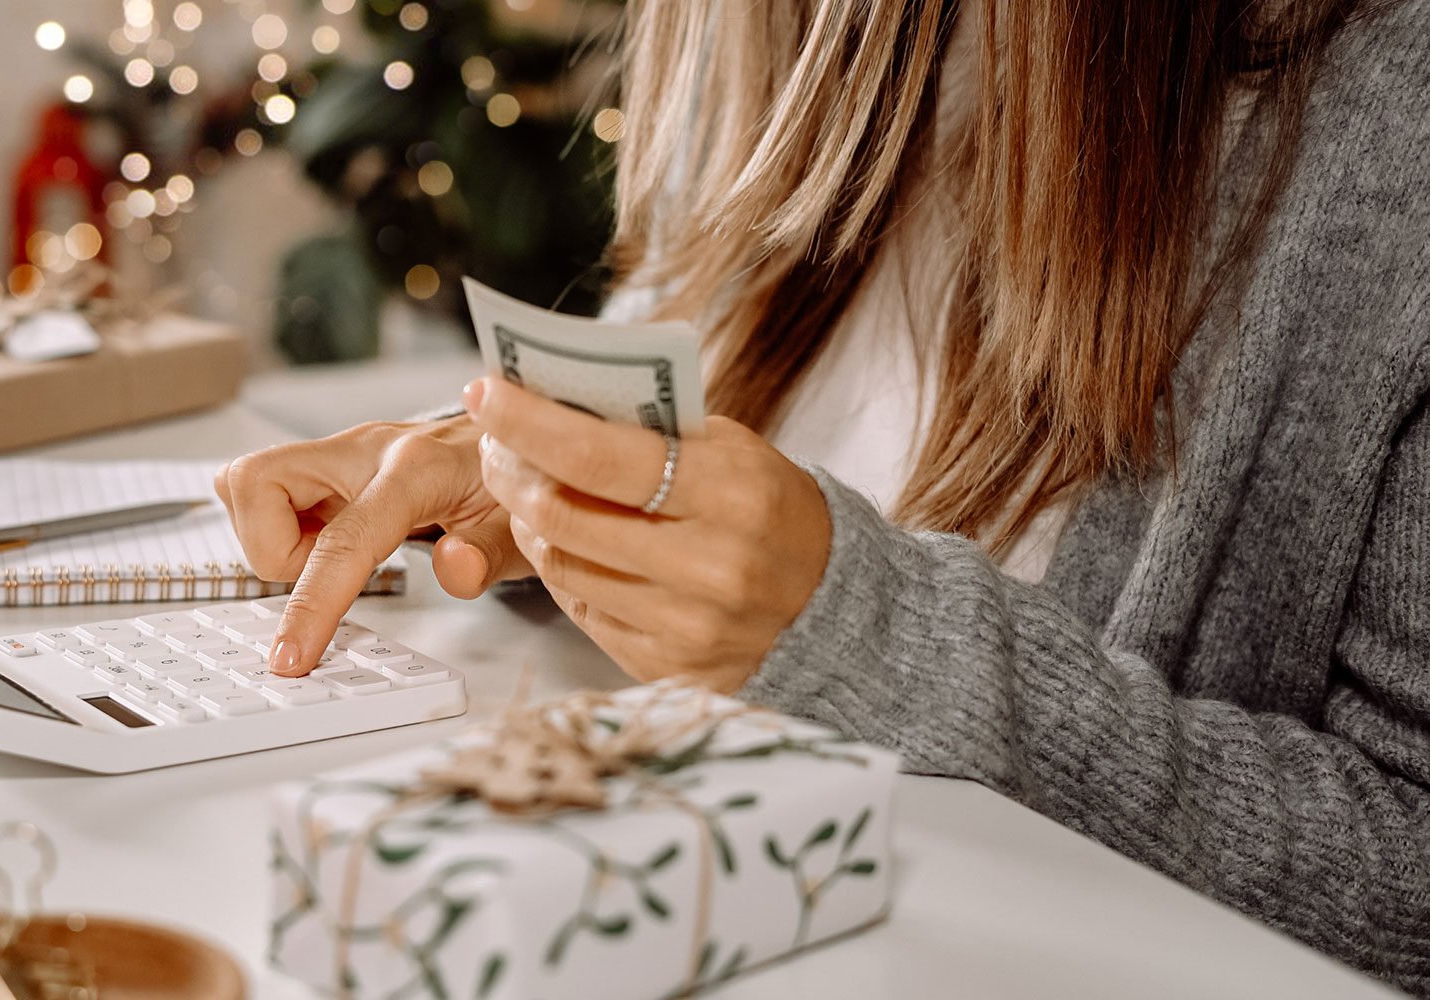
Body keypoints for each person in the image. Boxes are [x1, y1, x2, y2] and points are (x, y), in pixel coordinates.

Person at [217, 0, 1430, 991]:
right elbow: (683, 425)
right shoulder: (760, 40)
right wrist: (541, 487)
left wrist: (866, 631)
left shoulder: (1385, 122)